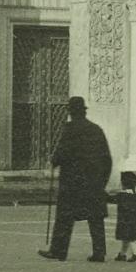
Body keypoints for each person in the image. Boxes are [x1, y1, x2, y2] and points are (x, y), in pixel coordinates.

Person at [42, 94, 114, 262]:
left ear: (71, 112)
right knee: (95, 219)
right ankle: (99, 252)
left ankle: (58, 250)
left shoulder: (70, 129)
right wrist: (102, 181)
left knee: (64, 218)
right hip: (93, 182)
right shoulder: (96, 130)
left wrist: (53, 162)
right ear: (84, 112)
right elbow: (107, 159)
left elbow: (62, 152)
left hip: (72, 182)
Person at [113, 170, 136, 264]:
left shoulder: (122, 195)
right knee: (126, 239)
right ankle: (122, 254)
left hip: (125, 221)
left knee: (129, 238)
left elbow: (111, 199)